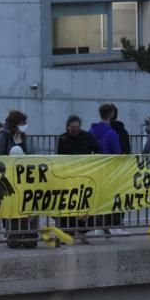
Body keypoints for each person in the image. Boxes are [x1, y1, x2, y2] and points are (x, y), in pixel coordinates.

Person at [55, 115, 100, 243]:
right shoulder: (63, 138)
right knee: (68, 206)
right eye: (73, 127)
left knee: (84, 206)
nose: (75, 129)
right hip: (68, 178)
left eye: (77, 127)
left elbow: (98, 149)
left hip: (84, 177)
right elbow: (58, 158)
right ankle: (67, 233)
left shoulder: (87, 136)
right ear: (68, 127)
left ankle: (81, 232)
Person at [0, 110, 36, 248]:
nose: (25, 125)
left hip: (22, 177)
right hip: (9, 176)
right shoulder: (4, 136)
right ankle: (13, 233)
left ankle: (26, 233)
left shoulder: (21, 136)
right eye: (22, 123)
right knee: (12, 205)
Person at [89, 104, 126, 235]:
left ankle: (98, 226)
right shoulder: (112, 133)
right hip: (111, 170)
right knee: (114, 198)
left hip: (96, 169)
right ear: (111, 114)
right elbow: (117, 152)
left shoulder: (92, 131)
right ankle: (114, 225)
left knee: (99, 198)